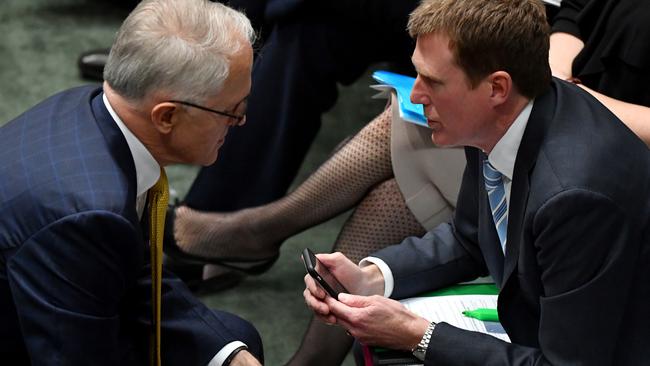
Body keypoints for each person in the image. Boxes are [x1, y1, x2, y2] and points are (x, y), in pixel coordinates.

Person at [303, 0, 650, 364]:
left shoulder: (575, 198)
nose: (416, 95)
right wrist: (372, 279)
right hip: (543, 321)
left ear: (497, 88)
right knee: (377, 343)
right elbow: (470, 237)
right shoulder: (501, 117)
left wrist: (419, 335)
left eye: (433, 82)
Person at [0, 0, 263, 364]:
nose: (241, 122)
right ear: (167, 116)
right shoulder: (88, 214)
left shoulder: (91, 109)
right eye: (233, 111)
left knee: (235, 340)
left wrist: (226, 353)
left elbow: (132, 265)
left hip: (62, 307)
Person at [549, 0, 650, 144]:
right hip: (564, 110)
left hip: (630, 152)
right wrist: (554, 75)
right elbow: (574, 12)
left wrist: (574, 97)